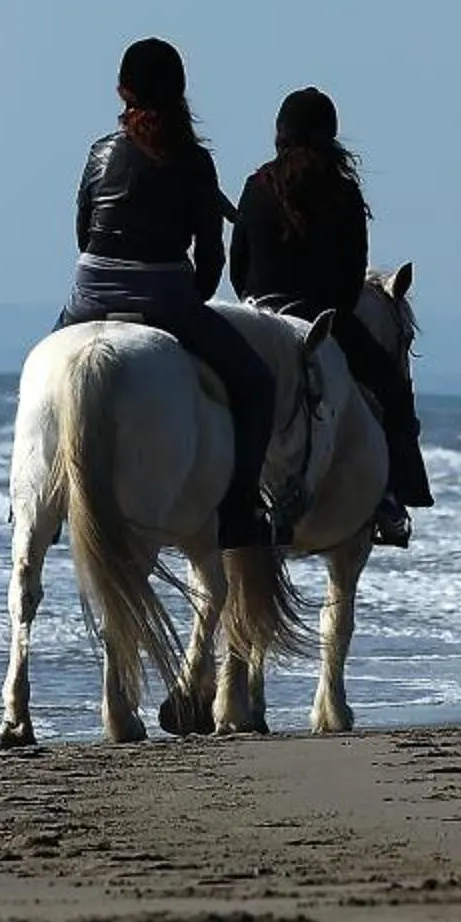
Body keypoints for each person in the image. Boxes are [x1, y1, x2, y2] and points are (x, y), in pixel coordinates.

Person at [58, 38, 280, 549]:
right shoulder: (195, 161)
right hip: (164, 298)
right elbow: (211, 254)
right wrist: (195, 298)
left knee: (34, 378)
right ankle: (239, 509)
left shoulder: (99, 152)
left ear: (122, 90)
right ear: (181, 92)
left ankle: (25, 495)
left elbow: (83, 229)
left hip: (91, 290)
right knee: (257, 385)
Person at [228, 87, 433, 548]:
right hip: (323, 318)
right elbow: (348, 279)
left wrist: (256, 302)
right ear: (331, 137)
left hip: (258, 314)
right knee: (392, 387)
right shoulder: (343, 191)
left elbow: (237, 266)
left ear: (280, 133)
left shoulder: (255, 185)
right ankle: (392, 499)